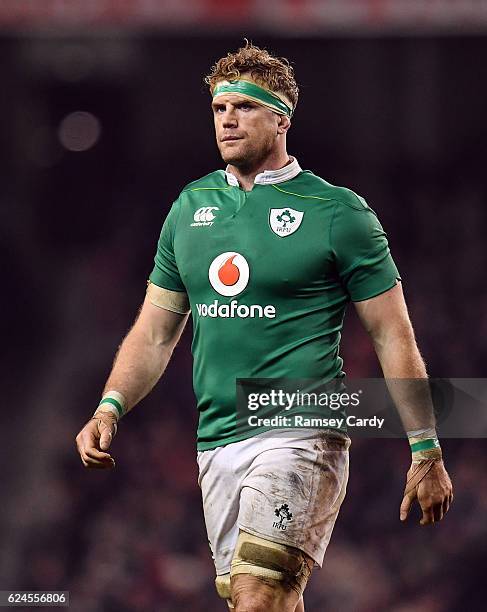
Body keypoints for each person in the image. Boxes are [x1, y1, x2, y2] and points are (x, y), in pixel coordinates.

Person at [75, 42, 453, 612]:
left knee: (257, 595)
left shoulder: (337, 212)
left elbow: (392, 333)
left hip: (302, 427)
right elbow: (154, 333)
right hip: (218, 438)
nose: (227, 119)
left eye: (244, 107)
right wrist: (110, 405)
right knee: (261, 600)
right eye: (219, 109)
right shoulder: (189, 208)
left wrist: (425, 448)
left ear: (281, 118)